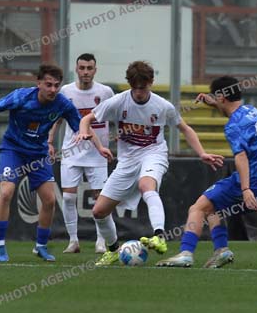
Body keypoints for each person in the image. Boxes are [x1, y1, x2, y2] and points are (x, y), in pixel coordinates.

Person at [73, 60, 223, 267]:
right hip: (127, 161)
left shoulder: (162, 106)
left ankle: (159, 236)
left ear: (151, 83)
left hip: (153, 154)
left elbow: (185, 129)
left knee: (146, 185)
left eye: (142, 88)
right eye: (135, 88)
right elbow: (86, 119)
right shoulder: (119, 101)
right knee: (99, 211)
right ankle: (113, 250)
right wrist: (83, 132)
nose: (139, 93)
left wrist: (202, 153)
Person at [0, 63, 82, 263]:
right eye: (48, 84)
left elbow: (81, 126)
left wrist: (91, 140)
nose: (52, 89)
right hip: (13, 150)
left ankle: (40, 247)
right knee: (6, 192)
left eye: (56, 85)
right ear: (38, 83)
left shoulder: (62, 104)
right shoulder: (21, 97)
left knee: (50, 200)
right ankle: (0, 245)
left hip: (38, 154)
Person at [158, 76, 257, 268]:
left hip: (251, 181)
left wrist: (246, 189)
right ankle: (221, 250)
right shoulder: (252, 111)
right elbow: (235, 116)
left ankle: (186, 253)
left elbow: (241, 157)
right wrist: (213, 102)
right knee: (214, 207)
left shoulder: (233, 126)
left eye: (215, 96)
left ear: (222, 97)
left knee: (197, 208)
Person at [48, 53, 115, 254]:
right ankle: (73, 241)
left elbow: (117, 115)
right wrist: (50, 141)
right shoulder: (66, 91)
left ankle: (101, 241)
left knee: (100, 199)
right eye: (82, 68)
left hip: (97, 152)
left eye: (89, 68)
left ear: (95, 70)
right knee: (69, 198)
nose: (85, 72)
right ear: (76, 69)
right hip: (71, 151)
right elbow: (57, 119)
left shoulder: (105, 92)